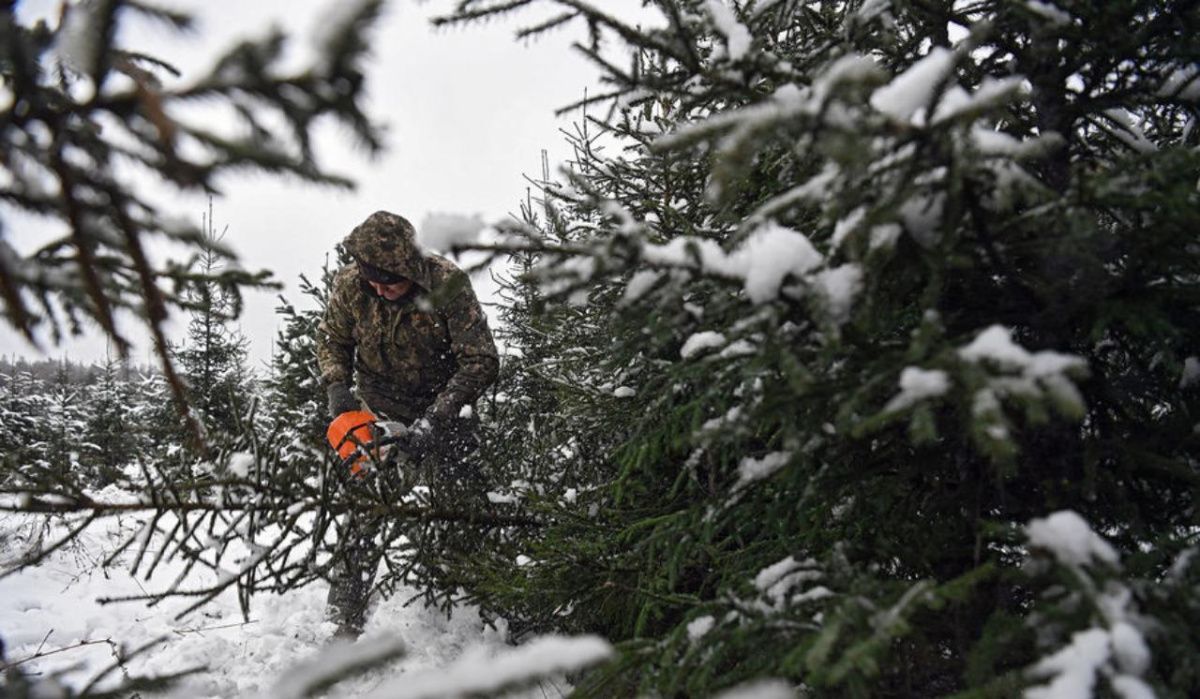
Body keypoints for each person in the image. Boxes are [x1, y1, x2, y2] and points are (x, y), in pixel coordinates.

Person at [316, 210, 499, 638]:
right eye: (372, 281)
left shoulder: (447, 285)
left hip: (445, 406)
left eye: (389, 281)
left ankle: (481, 602)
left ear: (410, 270)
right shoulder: (350, 286)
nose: (380, 289)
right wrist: (338, 391)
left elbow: (481, 361)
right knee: (365, 504)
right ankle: (344, 614)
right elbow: (332, 339)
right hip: (378, 408)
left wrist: (436, 420)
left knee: (467, 501)